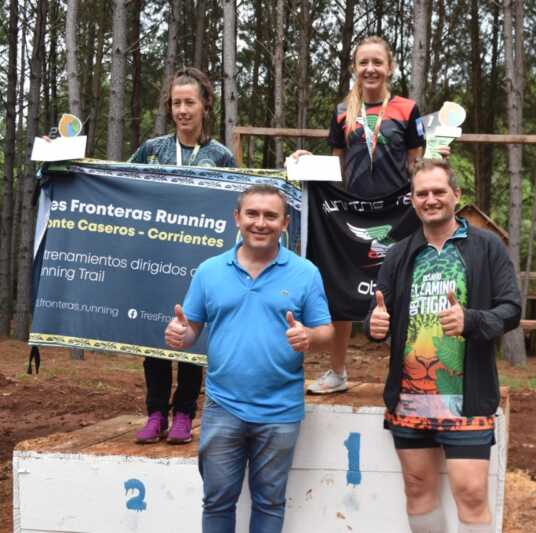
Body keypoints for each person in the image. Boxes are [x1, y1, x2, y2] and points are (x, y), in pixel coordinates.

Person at [164, 185, 333, 532]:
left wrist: (309, 337)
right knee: (217, 501)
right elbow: (192, 327)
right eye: (252, 214)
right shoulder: (210, 270)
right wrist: (182, 334)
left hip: (280, 408)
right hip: (222, 406)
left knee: (270, 503)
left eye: (270, 216)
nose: (260, 223)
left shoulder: (305, 273)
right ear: (237, 218)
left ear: (285, 223)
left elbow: (326, 332)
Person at [364, 159, 521, 533]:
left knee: (471, 494)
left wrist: (472, 320)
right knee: (418, 491)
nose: (430, 199)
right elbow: (379, 314)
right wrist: (374, 325)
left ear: (456, 195)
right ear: (412, 200)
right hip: (410, 399)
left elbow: (512, 309)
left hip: (467, 398)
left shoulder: (486, 247)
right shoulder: (399, 253)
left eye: (438, 191)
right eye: (422, 193)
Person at [293, 35, 427, 394]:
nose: (370, 69)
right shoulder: (342, 111)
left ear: (390, 67)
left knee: (402, 292)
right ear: (354, 68)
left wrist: (427, 186)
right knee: (340, 288)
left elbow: (415, 163)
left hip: (398, 214)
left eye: (377, 62)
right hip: (351, 215)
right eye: (363, 62)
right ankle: (337, 372)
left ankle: (408, 374)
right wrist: (308, 162)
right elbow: (336, 165)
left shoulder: (407, 109)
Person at [130, 67, 237, 444]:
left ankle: (184, 413)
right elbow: (120, 185)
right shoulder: (152, 150)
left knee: (193, 336)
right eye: (176, 103)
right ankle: (155, 412)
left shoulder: (220, 156)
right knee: (155, 334)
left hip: (200, 265)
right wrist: (64, 159)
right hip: (155, 259)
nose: (182, 110)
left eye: (189, 102)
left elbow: (237, 206)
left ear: (205, 105)